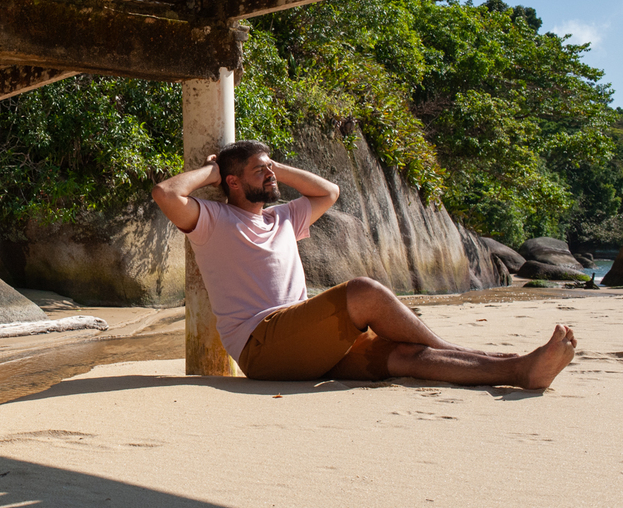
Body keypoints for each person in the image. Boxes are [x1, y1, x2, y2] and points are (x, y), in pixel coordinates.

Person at [151, 140, 577, 389]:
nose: (271, 176)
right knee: (363, 291)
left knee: (404, 356)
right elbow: (166, 194)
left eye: (271, 169)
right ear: (233, 182)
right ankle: (461, 350)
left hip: (308, 342)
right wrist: (211, 172)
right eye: (260, 171)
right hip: (262, 346)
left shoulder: (283, 217)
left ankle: (518, 370)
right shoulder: (214, 221)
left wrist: (272, 162)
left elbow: (328, 192)